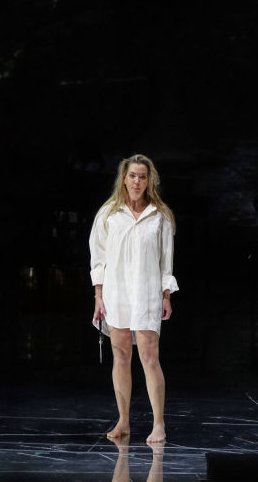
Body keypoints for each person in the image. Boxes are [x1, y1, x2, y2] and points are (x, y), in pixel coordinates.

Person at [89, 154, 178, 443]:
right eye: (132, 176)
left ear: (150, 180)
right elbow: (98, 258)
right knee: (121, 356)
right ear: (124, 179)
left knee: (150, 357)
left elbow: (166, 261)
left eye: (142, 176)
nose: (137, 181)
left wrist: (166, 294)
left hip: (147, 292)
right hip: (116, 293)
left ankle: (159, 423)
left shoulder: (160, 215)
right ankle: (123, 420)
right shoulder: (109, 213)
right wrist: (98, 295)